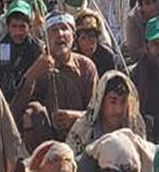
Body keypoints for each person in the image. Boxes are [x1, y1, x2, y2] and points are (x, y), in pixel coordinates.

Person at [15, 11, 99, 149]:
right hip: (46, 144)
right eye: (54, 30)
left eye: (64, 28)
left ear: (73, 36)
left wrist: (73, 117)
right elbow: (16, 110)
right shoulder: (38, 67)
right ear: (46, 38)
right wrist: (32, 74)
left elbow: (96, 113)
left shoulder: (86, 67)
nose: (60, 34)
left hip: (82, 140)